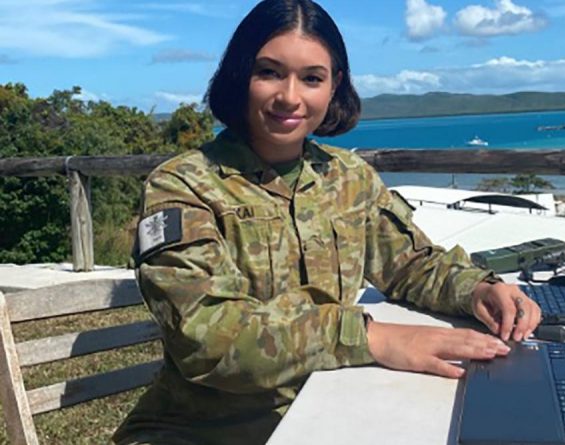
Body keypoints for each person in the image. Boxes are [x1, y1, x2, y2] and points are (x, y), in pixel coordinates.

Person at [113, 1, 541, 444]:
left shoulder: (347, 177)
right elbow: (207, 338)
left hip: (331, 409)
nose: (290, 97)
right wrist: (369, 338)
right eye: (270, 72)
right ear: (240, 76)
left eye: (312, 78)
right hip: (202, 430)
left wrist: (477, 290)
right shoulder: (184, 186)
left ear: (335, 86)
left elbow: (411, 264)